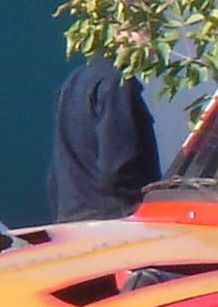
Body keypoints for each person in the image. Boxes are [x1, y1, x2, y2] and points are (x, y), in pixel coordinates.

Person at [48, 55, 162, 223]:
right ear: (119, 31)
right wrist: (139, 205)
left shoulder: (74, 81)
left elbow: (57, 170)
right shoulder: (116, 82)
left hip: (71, 220)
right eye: (145, 30)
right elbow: (118, 163)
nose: (151, 40)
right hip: (114, 220)